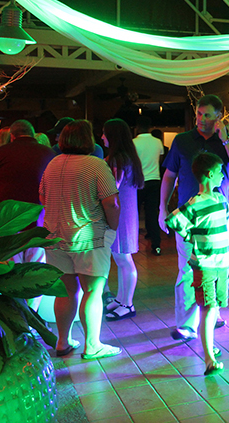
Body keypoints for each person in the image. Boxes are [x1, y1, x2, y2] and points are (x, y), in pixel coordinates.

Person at [159, 95, 229, 342]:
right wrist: (162, 208)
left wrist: (226, 139)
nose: (201, 119)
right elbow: (169, 176)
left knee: (218, 267)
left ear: (218, 116)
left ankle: (212, 311)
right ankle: (187, 324)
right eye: (199, 113)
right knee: (188, 269)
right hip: (190, 215)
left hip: (218, 217)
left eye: (207, 115)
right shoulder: (183, 141)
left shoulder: (225, 142)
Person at [39, 120, 121, 360]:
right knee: (92, 291)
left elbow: (42, 196)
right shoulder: (95, 165)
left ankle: (62, 342)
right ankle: (92, 345)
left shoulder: (52, 164)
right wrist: (113, 227)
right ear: (88, 139)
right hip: (89, 237)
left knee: (65, 291)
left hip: (55, 237)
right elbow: (111, 202)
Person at [166, 152, 229, 376]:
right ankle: (209, 358)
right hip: (205, 264)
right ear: (210, 174)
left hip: (222, 263)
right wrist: (191, 235)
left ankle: (209, 345)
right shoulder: (195, 203)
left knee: (215, 306)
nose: (223, 176)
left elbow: (226, 218)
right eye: (220, 172)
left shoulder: (220, 199)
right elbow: (173, 220)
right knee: (208, 307)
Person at [0, 119, 55, 267]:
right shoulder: (49, 153)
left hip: (8, 222)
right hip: (39, 220)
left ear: (12, 136)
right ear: (32, 134)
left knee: (10, 270)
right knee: (35, 269)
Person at [102, 118, 145, 321]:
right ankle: (122, 300)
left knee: (123, 259)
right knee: (122, 259)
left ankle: (127, 304)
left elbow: (112, 188)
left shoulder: (117, 159)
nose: (102, 137)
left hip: (120, 214)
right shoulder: (127, 157)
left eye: (105, 133)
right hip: (126, 213)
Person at [133, 116, 164, 256]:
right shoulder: (157, 142)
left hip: (138, 181)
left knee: (135, 213)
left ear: (137, 127)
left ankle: (132, 242)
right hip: (155, 180)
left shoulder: (133, 143)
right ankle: (156, 244)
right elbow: (160, 160)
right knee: (152, 213)